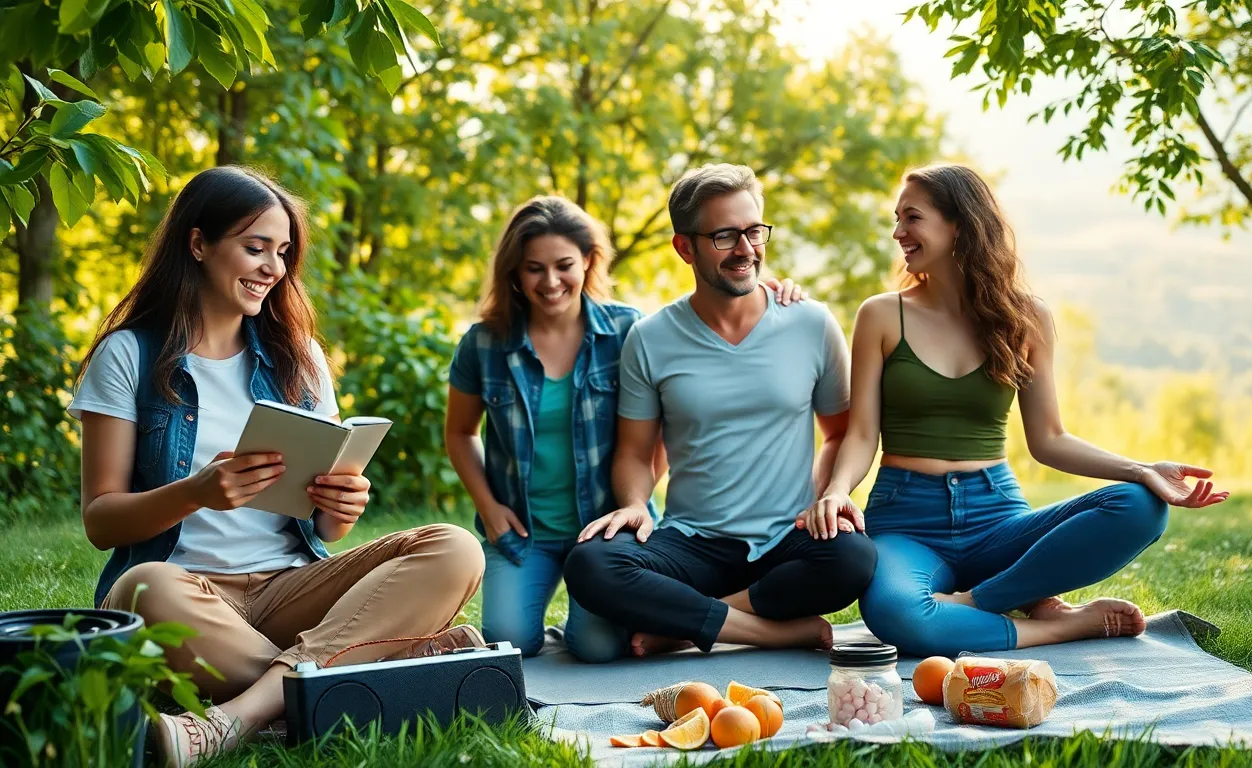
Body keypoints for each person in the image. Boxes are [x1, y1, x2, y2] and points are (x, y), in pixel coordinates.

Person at [70, 167, 486, 767]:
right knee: (139, 590)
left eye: (283, 252)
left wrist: (338, 510)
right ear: (197, 244)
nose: (274, 267)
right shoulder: (129, 354)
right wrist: (197, 491)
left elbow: (325, 531)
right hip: (187, 590)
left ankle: (233, 719)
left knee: (454, 547)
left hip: (292, 586)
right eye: (255, 246)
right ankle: (383, 672)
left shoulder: (300, 358)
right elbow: (101, 521)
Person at [799, 162, 1229, 658]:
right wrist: (835, 491)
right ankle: (1059, 625)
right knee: (895, 614)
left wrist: (1142, 469)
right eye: (897, 219)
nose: (898, 232)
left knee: (1141, 505)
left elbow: (1049, 439)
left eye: (911, 218)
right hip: (906, 522)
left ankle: (978, 602)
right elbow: (860, 436)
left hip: (998, 516)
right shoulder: (881, 314)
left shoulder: (1027, 318)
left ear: (958, 223)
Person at [444, 195, 805, 661]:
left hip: (606, 530)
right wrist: (489, 508)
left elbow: (656, 432)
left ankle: (688, 620)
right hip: (522, 532)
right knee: (511, 642)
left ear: (589, 261)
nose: (550, 281)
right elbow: (459, 433)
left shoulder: (626, 330)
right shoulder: (484, 344)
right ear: (513, 271)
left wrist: (766, 290)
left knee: (599, 648)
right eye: (534, 268)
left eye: (564, 265)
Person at [563, 164, 877, 661]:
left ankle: (689, 626)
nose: (746, 249)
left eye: (754, 231)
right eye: (725, 236)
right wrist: (632, 504)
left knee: (854, 557)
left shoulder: (810, 323)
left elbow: (840, 433)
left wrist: (828, 496)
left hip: (785, 539)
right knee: (591, 566)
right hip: (693, 541)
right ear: (684, 247)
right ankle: (771, 631)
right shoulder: (651, 337)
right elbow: (635, 454)